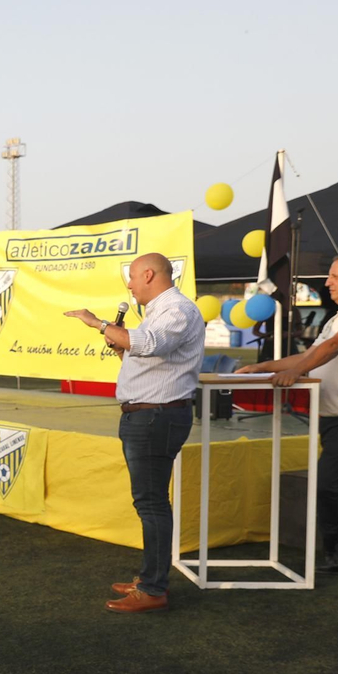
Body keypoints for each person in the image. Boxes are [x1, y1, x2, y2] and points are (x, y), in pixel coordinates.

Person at [65, 252, 206, 614]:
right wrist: (120, 344)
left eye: (131, 277)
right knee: (150, 501)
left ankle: (154, 588)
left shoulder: (177, 310)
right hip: (148, 415)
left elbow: (148, 345)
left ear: (148, 274)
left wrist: (97, 324)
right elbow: (146, 357)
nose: (128, 285)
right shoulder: (159, 311)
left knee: (152, 503)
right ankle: (148, 580)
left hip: (156, 417)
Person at [237, 252, 338, 574]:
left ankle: (335, 547)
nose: (327, 283)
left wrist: (297, 373)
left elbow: (336, 345)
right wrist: (261, 367)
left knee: (327, 483)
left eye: (334, 276)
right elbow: (311, 352)